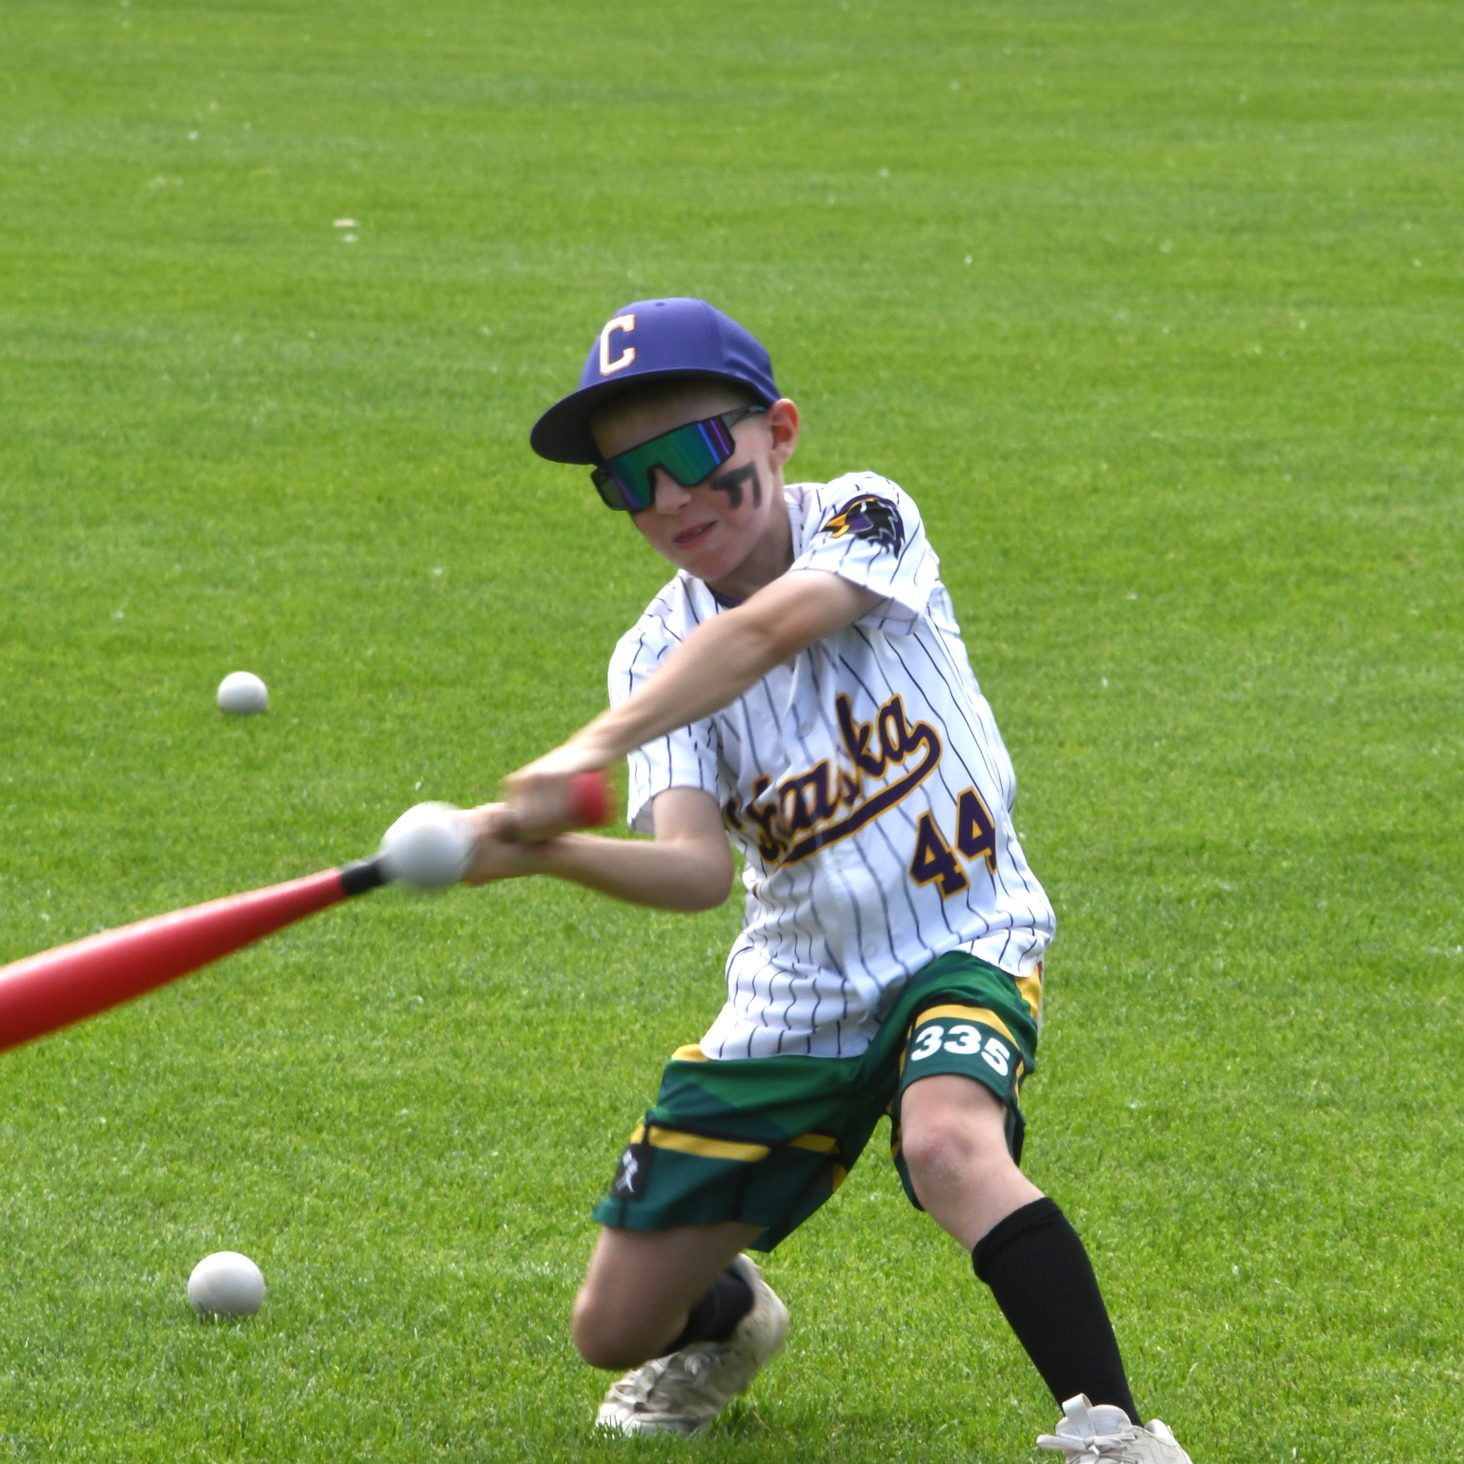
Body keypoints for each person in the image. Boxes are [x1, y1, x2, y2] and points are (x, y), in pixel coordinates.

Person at [465, 297, 1192, 1462]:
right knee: (610, 1329)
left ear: (778, 432)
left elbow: (761, 635)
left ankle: (1113, 1434)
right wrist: (530, 853)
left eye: (696, 453)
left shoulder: (866, 516)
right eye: (626, 483)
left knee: (950, 1144)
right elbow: (696, 871)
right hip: (794, 996)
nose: (669, 501)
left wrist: (581, 754)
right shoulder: (647, 654)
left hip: (965, 936)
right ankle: (733, 1319)